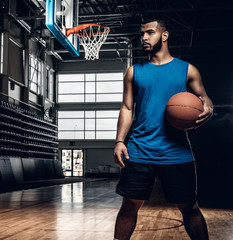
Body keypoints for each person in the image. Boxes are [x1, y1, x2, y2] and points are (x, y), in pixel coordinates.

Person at [113, 17, 213, 240]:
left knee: (190, 208)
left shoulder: (187, 70)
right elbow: (127, 108)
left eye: (150, 32)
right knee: (129, 206)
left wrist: (209, 108)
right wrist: (120, 141)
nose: (144, 38)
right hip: (140, 148)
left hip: (176, 150)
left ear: (164, 36)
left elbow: (204, 98)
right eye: (142, 34)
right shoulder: (134, 72)